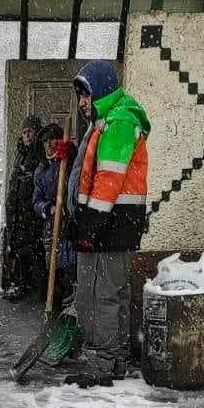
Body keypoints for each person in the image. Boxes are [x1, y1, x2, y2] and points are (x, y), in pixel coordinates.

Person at [63, 60, 150, 388]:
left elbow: (109, 177)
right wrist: (72, 151)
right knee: (112, 292)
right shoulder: (109, 121)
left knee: (97, 294)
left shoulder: (119, 122)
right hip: (115, 222)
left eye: (86, 95)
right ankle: (114, 358)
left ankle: (102, 360)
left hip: (109, 222)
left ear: (101, 90)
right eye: (79, 96)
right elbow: (95, 166)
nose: (82, 102)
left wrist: (89, 224)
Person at [2, 114, 46, 300]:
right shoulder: (19, 152)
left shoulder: (40, 153)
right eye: (25, 132)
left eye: (31, 131)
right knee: (18, 250)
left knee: (34, 251)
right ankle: (21, 284)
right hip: (17, 211)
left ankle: (37, 289)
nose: (27, 135)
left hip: (32, 212)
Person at [32, 122, 77, 304]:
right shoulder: (42, 171)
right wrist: (47, 208)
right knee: (54, 269)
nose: (49, 145)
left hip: (69, 226)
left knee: (71, 266)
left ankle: (72, 300)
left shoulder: (69, 162)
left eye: (53, 141)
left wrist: (71, 152)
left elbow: (81, 166)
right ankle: (56, 306)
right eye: (45, 142)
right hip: (52, 227)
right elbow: (36, 201)